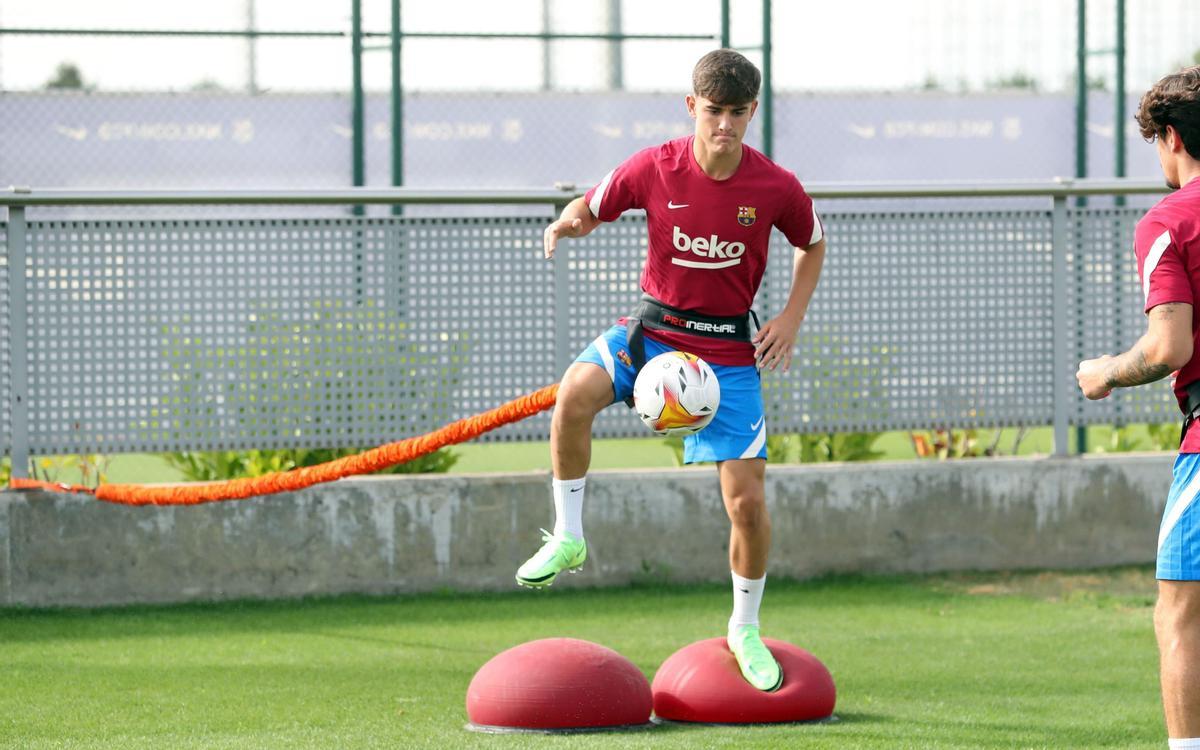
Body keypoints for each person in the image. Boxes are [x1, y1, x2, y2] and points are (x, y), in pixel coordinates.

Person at [515, 48, 826, 693]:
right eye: (714, 112)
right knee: (574, 393)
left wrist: (790, 319)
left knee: (747, 502)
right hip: (653, 333)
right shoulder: (655, 167)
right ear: (692, 107)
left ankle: (744, 627)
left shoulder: (777, 186)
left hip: (728, 352)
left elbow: (812, 243)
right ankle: (569, 535)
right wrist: (569, 222)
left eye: (738, 113)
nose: (725, 127)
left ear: (752, 112)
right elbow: (592, 205)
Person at [1076, 66, 1200, 748]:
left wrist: (1104, 373)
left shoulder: (1170, 219)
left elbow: (1168, 346)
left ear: (1172, 138)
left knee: (1180, 614)